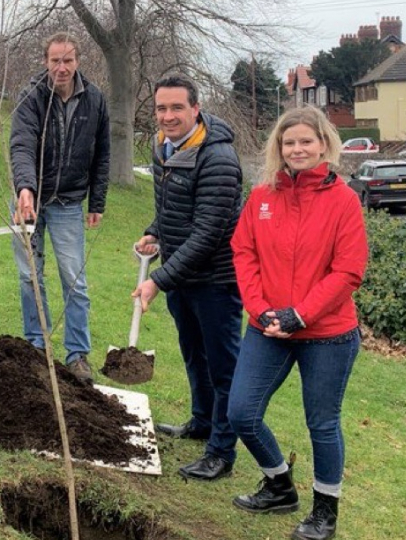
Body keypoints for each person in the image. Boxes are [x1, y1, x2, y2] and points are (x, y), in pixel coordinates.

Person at [228, 105, 368, 540]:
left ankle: (325, 511)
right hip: (267, 327)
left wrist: (300, 314)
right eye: (290, 142)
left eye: (306, 141)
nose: (298, 149)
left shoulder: (343, 200)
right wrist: (259, 307)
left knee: (322, 424)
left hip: (326, 334)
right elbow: (243, 252)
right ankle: (279, 484)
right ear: (279, 148)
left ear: (324, 144)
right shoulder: (262, 197)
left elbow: (348, 271)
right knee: (241, 414)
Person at [133, 74, 243, 481]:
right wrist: (155, 231)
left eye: (177, 107)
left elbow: (207, 234)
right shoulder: (162, 147)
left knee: (223, 367)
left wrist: (158, 280)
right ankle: (201, 422)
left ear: (196, 109)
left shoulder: (217, 159)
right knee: (194, 355)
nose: (168, 116)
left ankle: (221, 451)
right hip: (183, 278)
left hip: (216, 280)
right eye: (161, 108)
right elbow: (171, 208)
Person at [10, 32, 110, 383]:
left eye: (68, 60)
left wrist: (96, 201)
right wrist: (25, 189)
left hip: (69, 202)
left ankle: (77, 354)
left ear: (77, 62)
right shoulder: (32, 97)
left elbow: (102, 154)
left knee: (75, 280)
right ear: (45, 62)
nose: (62, 67)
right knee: (29, 276)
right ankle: (37, 346)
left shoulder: (94, 100)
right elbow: (21, 144)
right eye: (55, 60)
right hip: (30, 202)